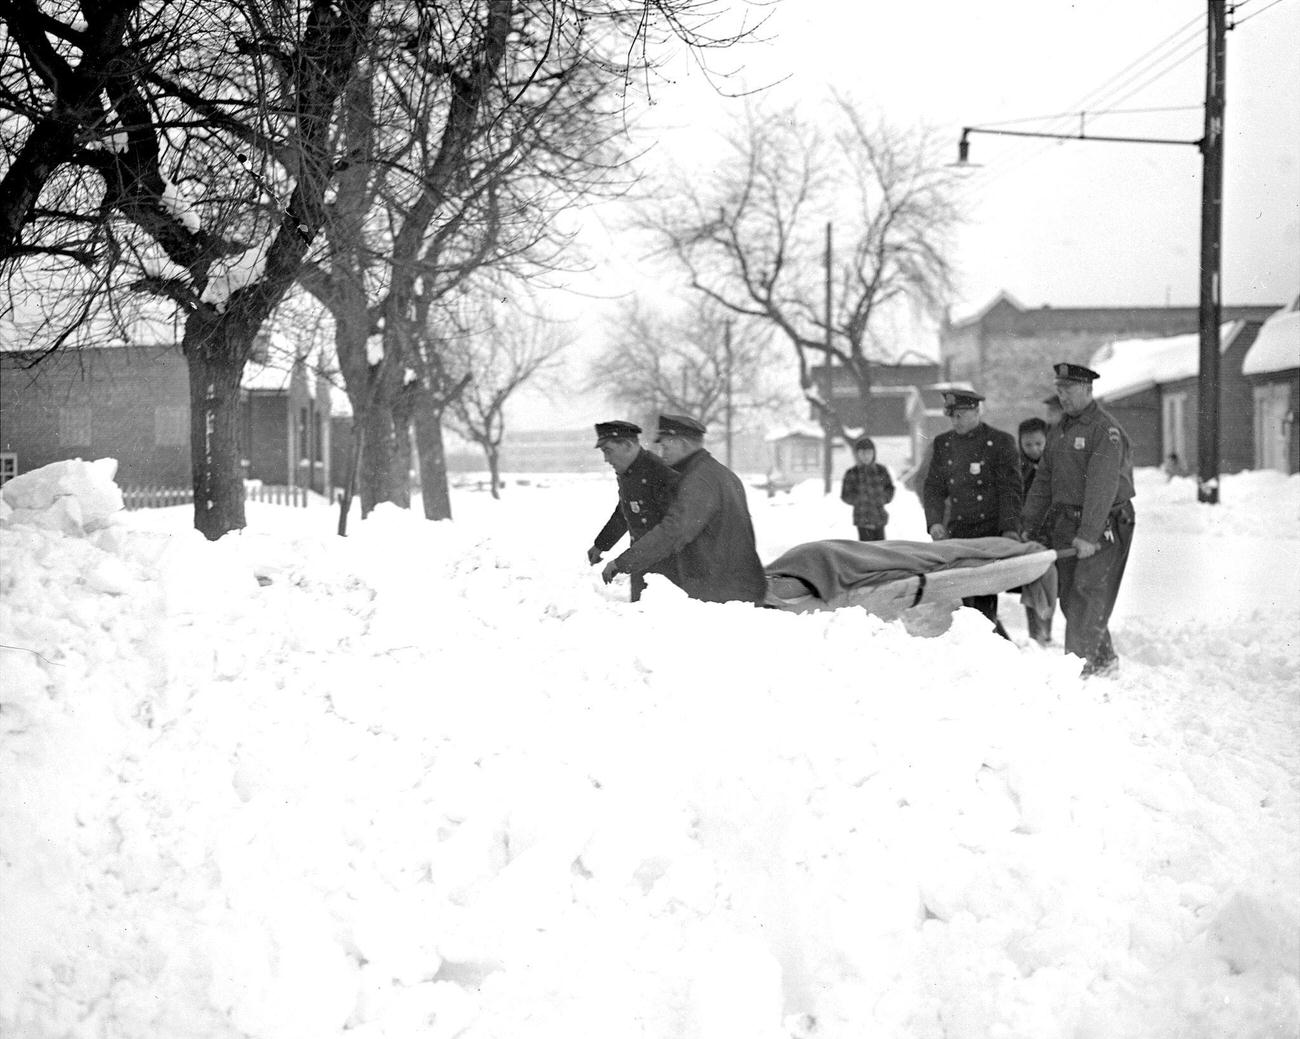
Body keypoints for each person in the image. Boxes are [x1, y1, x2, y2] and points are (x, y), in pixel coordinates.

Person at [1023, 363, 1136, 678]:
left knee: (1087, 592)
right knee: (1071, 597)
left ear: (1087, 389)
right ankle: (1103, 660)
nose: (1062, 396)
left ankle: (1079, 669)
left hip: (1106, 523)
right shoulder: (1059, 429)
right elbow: (1044, 480)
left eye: (1068, 389)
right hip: (1067, 522)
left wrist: (1089, 533)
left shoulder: (1104, 431)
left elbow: (1103, 485)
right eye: (1059, 390)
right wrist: (1027, 523)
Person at [602, 414, 766, 605]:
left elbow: (673, 532)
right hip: (733, 586)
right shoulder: (717, 473)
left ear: (683, 444)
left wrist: (623, 562)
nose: (661, 453)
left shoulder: (698, 481)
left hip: (723, 595)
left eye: (665, 446)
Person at [922, 389, 1022, 637]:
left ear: (977, 412)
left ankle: (993, 647)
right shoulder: (944, 444)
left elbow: (1010, 490)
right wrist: (934, 522)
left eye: (960, 415)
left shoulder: (1000, 442)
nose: (955, 422)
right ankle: (989, 645)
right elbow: (934, 488)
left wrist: (1009, 529)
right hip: (959, 531)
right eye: (952, 416)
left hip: (989, 533)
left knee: (985, 597)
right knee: (965, 599)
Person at [587, 420, 680, 601]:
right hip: (643, 565)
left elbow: (672, 530)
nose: (606, 459)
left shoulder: (661, 473)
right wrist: (602, 544)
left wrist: (622, 563)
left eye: (608, 451)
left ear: (628, 446)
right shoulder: (630, 472)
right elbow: (626, 510)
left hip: (669, 573)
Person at [1017, 416, 1056, 645]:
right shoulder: (1017, 469)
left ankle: (1046, 631)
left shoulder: (1055, 466)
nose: (1034, 449)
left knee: (1050, 584)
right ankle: (1036, 634)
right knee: (1032, 583)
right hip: (1029, 535)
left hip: (1054, 532)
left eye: (1039, 444)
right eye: (1028, 445)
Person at [840, 435, 895, 541]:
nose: (866, 456)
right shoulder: (852, 473)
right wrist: (860, 500)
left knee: (881, 550)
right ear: (857, 455)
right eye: (862, 453)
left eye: (869, 452)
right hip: (862, 519)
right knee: (866, 552)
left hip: (879, 517)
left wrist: (883, 498)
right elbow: (845, 495)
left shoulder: (881, 470)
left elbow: (890, 488)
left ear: (874, 454)